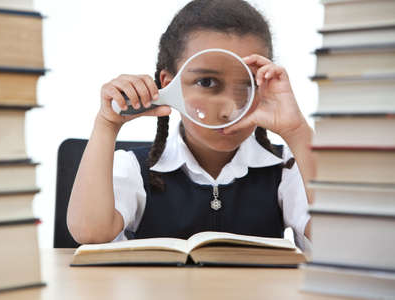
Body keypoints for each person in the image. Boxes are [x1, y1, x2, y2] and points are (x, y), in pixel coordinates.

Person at [67, 0, 315, 250]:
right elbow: (90, 233)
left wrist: (297, 132)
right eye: (206, 82)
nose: (229, 109)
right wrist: (106, 125)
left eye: (247, 85)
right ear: (168, 84)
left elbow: (339, 236)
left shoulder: (287, 169)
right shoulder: (134, 168)